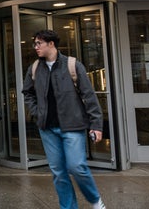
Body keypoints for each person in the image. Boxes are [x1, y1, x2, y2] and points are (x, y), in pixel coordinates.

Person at [22, 30, 106, 209]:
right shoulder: (35, 67)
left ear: (51, 44)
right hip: (47, 128)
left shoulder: (73, 65)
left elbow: (89, 96)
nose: (36, 47)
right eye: (35, 44)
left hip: (72, 126)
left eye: (39, 43)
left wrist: (96, 125)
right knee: (59, 173)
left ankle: (95, 199)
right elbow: (27, 92)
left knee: (77, 167)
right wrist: (37, 112)